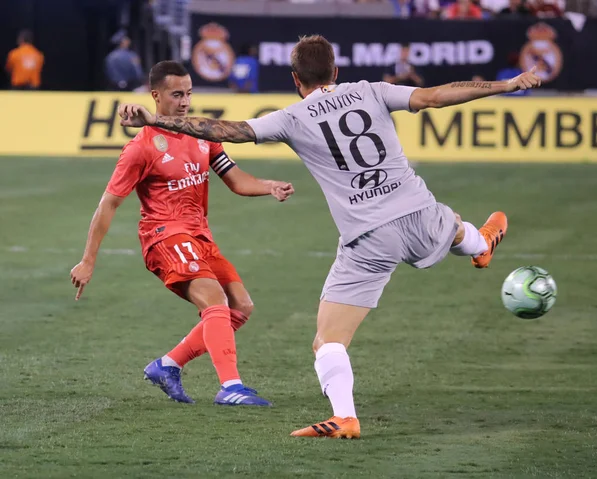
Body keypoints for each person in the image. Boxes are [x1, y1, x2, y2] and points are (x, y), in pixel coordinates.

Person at [117, 36, 542, 438]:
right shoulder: (372, 91)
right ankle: (480, 245)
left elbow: (228, 130)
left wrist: (155, 119)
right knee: (451, 225)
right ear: (336, 70)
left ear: (296, 80)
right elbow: (436, 95)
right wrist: (506, 84)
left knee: (328, 341)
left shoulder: (293, 117)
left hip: (369, 238)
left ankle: (345, 417)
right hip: (420, 213)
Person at [70, 61, 294, 406]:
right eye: (177, 94)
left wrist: (269, 186)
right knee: (215, 300)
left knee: (241, 306)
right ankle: (231, 387)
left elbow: (234, 179)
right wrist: (87, 261)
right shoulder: (141, 148)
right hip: (164, 237)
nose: (185, 101)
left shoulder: (200, 135)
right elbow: (108, 205)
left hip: (199, 236)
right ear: (156, 95)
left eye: (189, 93)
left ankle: (168, 365)